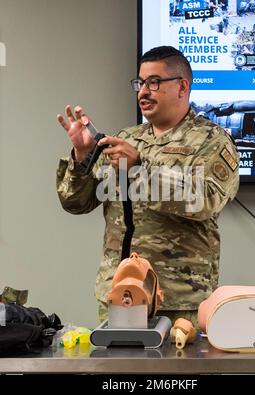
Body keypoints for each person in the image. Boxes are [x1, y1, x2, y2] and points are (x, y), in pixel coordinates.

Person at [56, 46, 239, 326]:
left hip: (179, 301)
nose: (143, 91)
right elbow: (76, 203)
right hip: (119, 294)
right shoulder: (125, 138)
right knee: (120, 370)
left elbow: (206, 200)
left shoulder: (212, 140)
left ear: (181, 87)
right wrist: (82, 157)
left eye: (154, 82)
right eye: (140, 83)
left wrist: (140, 170)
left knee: (180, 372)